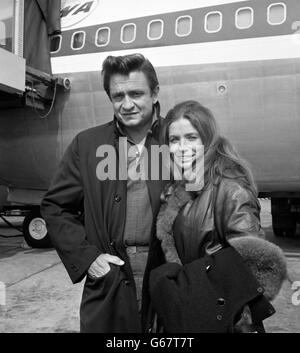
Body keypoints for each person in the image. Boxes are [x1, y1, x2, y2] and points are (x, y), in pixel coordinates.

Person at [41, 53, 168, 333]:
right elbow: (55, 207)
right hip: (111, 277)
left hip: (168, 277)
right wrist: (88, 259)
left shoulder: (178, 141)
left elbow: (205, 207)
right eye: (117, 96)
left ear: (155, 93)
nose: (127, 104)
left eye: (136, 93)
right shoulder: (88, 145)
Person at [149, 100, 281, 333]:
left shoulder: (230, 188)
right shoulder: (182, 187)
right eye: (174, 140)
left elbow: (257, 265)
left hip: (224, 322)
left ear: (207, 140)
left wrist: (215, 310)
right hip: (191, 315)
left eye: (191, 137)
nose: (181, 147)